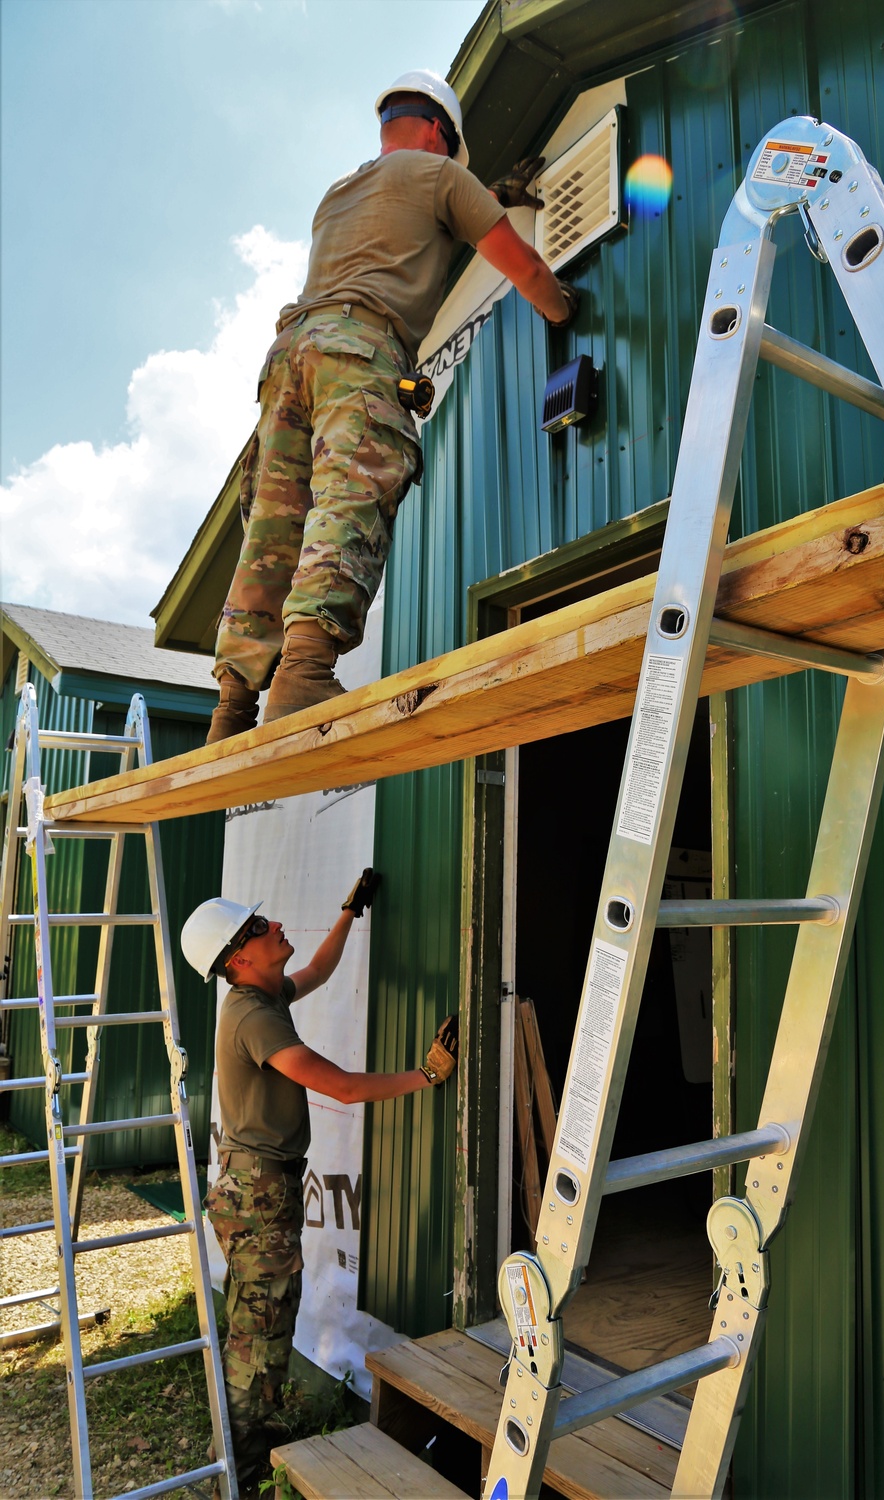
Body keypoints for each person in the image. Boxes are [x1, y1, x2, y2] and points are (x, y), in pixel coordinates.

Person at [207, 68, 578, 743]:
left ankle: (233, 705)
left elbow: (409, 224)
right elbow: (520, 266)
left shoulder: (338, 194)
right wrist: (564, 307)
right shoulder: (442, 177)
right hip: (359, 348)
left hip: (290, 353)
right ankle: (304, 672)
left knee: (273, 528)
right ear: (440, 131)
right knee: (349, 494)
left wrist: (484, 193)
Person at [179, 871, 458, 1491]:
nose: (273, 923)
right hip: (256, 1197)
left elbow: (320, 971)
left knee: (264, 1322)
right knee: (261, 1335)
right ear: (240, 956)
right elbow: (343, 1086)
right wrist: (426, 1074)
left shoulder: (266, 993)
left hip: (254, 1188)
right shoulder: (253, 1017)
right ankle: (244, 1474)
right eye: (259, 926)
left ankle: (248, 1442)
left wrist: (349, 912)